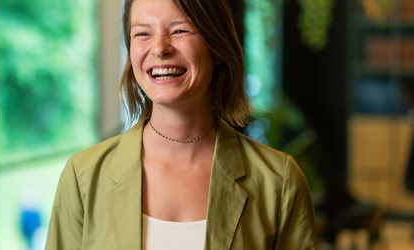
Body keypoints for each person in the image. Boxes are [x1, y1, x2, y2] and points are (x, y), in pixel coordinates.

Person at [45, 0, 317, 249]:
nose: (160, 48)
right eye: (142, 33)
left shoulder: (279, 183)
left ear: (217, 46)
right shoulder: (82, 177)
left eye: (180, 31)